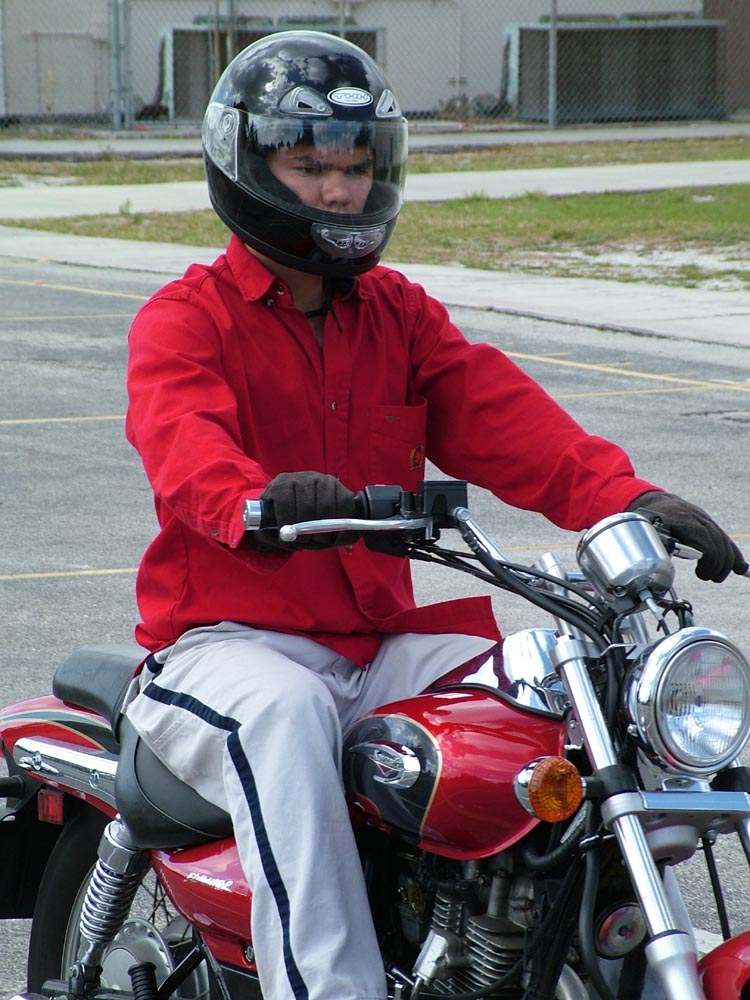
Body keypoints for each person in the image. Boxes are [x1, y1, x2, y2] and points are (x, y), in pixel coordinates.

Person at [124, 30, 747, 1000]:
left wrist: (627, 497)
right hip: (225, 647)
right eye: (311, 167)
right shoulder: (186, 319)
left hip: (377, 646)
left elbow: (507, 422)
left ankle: (520, 946)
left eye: (355, 167)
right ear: (246, 165)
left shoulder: (399, 315)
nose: (340, 191)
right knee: (284, 717)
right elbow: (184, 446)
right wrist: (257, 499)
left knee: (541, 687)